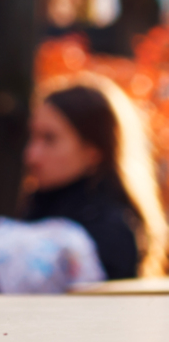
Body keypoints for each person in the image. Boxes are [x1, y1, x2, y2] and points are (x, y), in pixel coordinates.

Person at [22, 77, 166, 281]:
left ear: (92, 151)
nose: (31, 155)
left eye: (49, 139)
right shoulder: (35, 210)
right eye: (32, 137)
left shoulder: (110, 234)